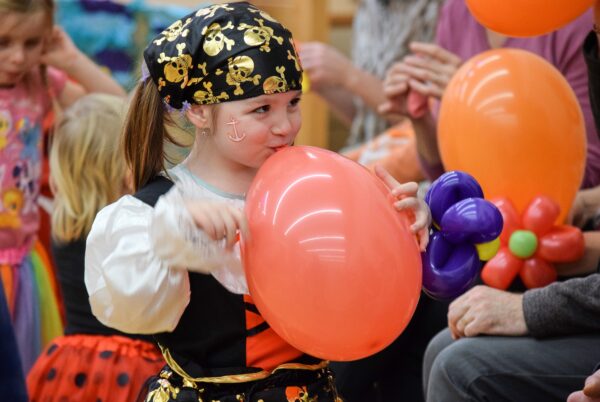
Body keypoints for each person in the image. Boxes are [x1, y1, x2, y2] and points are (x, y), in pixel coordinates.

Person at [84, 3, 431, 402]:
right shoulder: (150, 212)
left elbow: (368, 289)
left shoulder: (318, 190)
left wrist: (403, 230)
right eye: (261, 109)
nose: (285, 126)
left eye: (294, 103)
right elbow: (128, 308)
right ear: (199, 110)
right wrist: (175, 236)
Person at [422, 4, 600, 400]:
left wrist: (526, 309)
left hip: (536, 248)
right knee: (438, 340)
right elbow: (449, 169)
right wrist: (428, 118)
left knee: (458, 363)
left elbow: (582, 172)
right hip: (512, 236)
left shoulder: (569, 22)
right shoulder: (458, 10)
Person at [0, 0, 126, 373]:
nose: (18, 57)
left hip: (20, 265)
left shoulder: (38, 81)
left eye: (32, 42)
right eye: (3, 42)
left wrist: (71, 62)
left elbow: (116, 112)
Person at [25, 94, 164, 401]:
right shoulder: (137, 224)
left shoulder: (64, 224)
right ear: (125, 162)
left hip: (70, 363)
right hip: (134, 366)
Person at [380, 0, 600, 189]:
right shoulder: (458, 10)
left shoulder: (571, 17)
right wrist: (421, 120)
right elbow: (447, 178)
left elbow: (588, 173)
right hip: (474, 213)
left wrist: (480, 98)